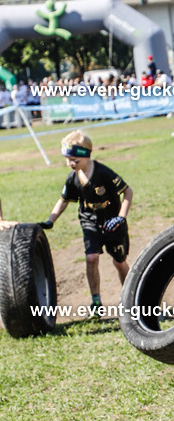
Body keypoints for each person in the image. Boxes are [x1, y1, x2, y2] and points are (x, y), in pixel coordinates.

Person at [41, 131, 133, 312]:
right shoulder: (73, 178)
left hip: (112, 222)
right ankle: (96, 302)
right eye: (67, 159)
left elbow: (128, 192)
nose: (70, 164)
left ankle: (131, 297)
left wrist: (121, 217)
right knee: (91, 258)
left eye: (74, 160)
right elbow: (64, 200)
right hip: (89, 222)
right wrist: (50, 221)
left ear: (86, 155)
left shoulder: (104, 173)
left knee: (120, 262)